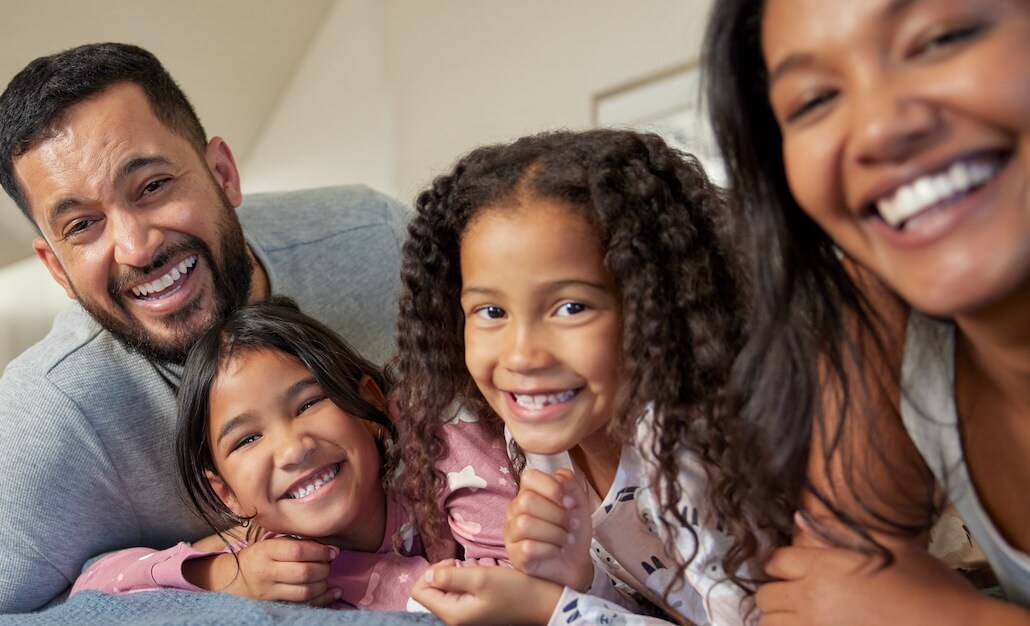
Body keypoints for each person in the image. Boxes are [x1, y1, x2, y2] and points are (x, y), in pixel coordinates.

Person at [0, 43, 410, 622]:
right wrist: (210, 580)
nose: (137, 247)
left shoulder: (380, 245)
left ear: (223, 175)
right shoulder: (52, 411)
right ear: (57, 267)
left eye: (152, 186)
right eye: (82, 226)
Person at [703, 0, 1030, 623]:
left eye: (942, 39)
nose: (879, 127)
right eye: (814, 100)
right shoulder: (880, 308)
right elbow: (826, 588)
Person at [391, 130, 756, 625]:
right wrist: (579, 574)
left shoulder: (691, 451)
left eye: (571, 307)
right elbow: (671, 606)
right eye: (492, 310)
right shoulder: (541, 439)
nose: (522, 355)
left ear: (656, 307)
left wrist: (552, 609)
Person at [70, 296, 512, 611]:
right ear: (228, 495)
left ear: (373, 405)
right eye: (247, 439)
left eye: (308, 404)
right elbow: (94, 583)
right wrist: (228, 577)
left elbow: (514, 583)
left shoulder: (436, 440)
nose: (293, 449)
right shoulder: (265, 556)